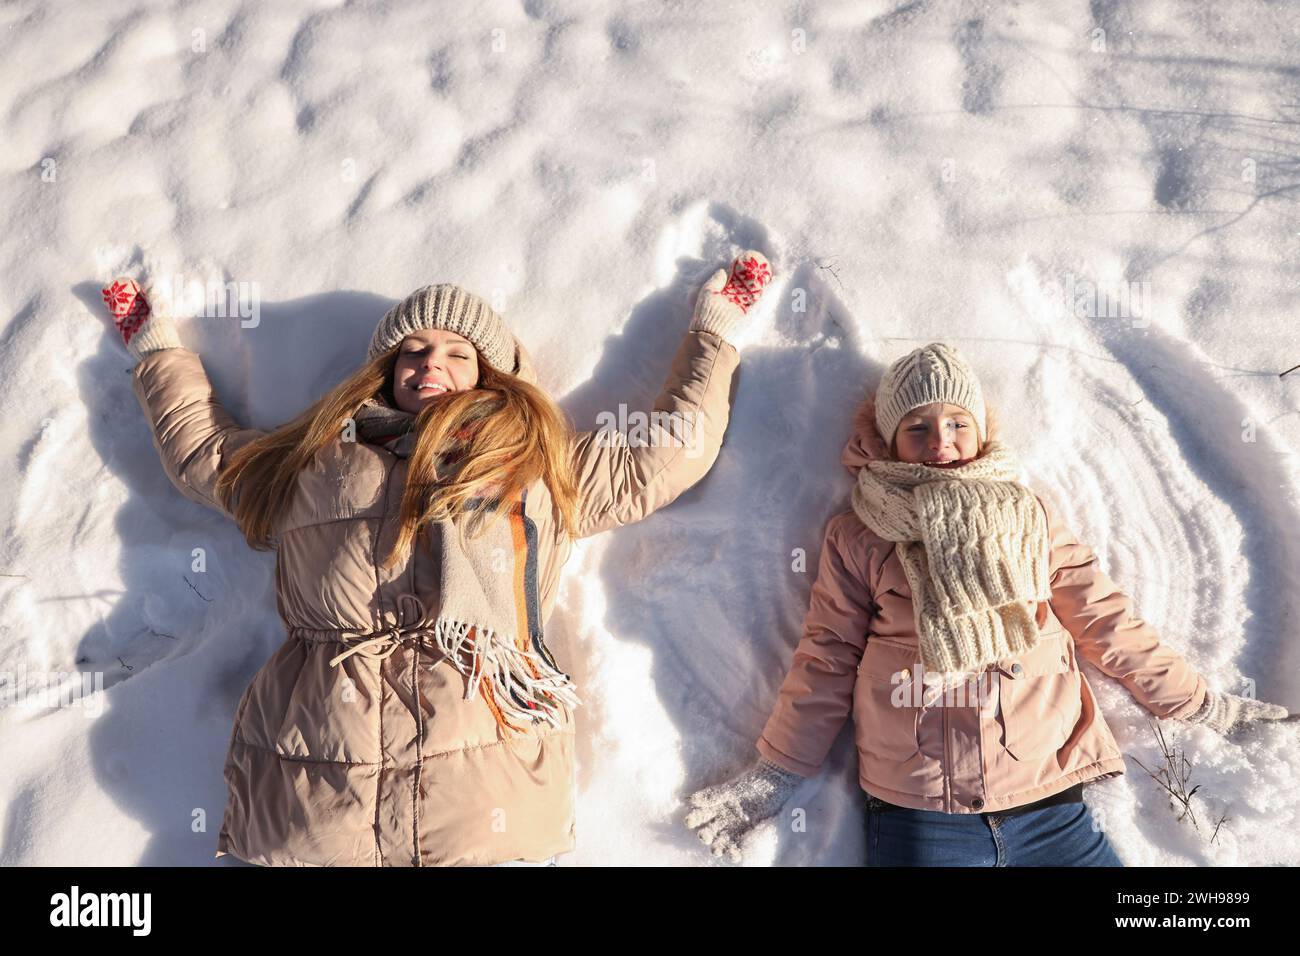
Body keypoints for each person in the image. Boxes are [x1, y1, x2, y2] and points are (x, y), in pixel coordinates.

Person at [100, 251, 773, 865]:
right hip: (321, 783)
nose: (430, 364)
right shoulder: (315, 465)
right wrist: (158, 350)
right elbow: (208, 457)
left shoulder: (534, 464)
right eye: (412, 351)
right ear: (386, 371)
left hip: (482, 794)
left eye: (457, 352)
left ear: (492, 372)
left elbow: (666, 455)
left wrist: (713, 333)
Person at [684, 342, 1288, 866]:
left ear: (981, 430)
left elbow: (1106, 621)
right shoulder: (860, 535)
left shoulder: (1029, 517)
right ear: (891, 440)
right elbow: (827, 655)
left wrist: (1200, 703)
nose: (941, 442)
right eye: (918, 427)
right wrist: (780, 768)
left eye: (957, 423)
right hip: (920, 813)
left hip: (1048, 801)